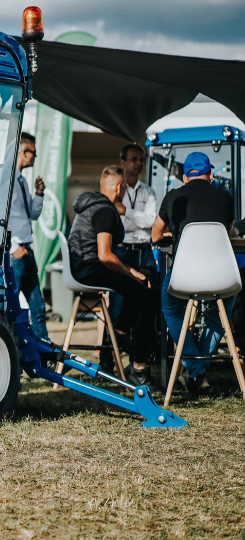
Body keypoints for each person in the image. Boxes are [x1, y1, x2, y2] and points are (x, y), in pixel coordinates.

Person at [151, 152, 235, 396]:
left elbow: (155, 236)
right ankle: (197, 370)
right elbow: (223, 232)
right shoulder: (225, 197)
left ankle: (195, 369)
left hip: (184, 276)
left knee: (171, 307)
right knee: (221, 309)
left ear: (185, 177)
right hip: (221, 276)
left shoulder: (173, 196)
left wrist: (177, 234)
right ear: (210, 175)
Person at [68, 166, 158, 386]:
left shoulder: (90, 206)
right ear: (119, 188)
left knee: (135, 288)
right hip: (90, 270)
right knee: (148, 293)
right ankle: (138, 364)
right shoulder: (105, 211)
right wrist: (131, 271)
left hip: (81, 268)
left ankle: (119, 333)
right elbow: (106, 256)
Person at [110, 143, 159, 367]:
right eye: (134, 159)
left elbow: (151, 222)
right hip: (122, 249)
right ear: (123, 162)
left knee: (148, 298)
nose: (139, 163)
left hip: (144, 250)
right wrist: (135, 219)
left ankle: (139, 356)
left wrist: (127, 211)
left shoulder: (148, 191)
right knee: (119, 304)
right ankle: (107, 358)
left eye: (141, 159)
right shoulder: (116, 189)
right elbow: (119, 226)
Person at [8, 132, 48, 339]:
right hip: (16, 252)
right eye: (33, 152)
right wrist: (13, 248)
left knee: (38, 307)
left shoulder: (21, 181)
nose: (35, 156)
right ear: (24, 152)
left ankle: (44, 356)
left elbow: (32, 213)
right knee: (11, 309)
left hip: (26, 250)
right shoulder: (5, 180)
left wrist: (39, 194)